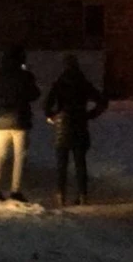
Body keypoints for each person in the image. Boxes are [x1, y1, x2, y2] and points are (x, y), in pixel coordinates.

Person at [44, 54, 107, 207]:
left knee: (61, 164)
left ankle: (61, 195)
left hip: (62, 126)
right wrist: (90, 115)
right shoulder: (84, 83)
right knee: (80, 163)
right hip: (80, 124)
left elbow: (47, 105)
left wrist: (52, 116)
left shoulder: (59, 84)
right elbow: (102, 102)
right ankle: (83, 195)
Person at [0, 45, 40, 202]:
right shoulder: (25, 76)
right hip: (20, 120)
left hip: (1, 120)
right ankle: (15, 190)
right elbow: (35, 94)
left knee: (0, 155)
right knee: (19, 156)